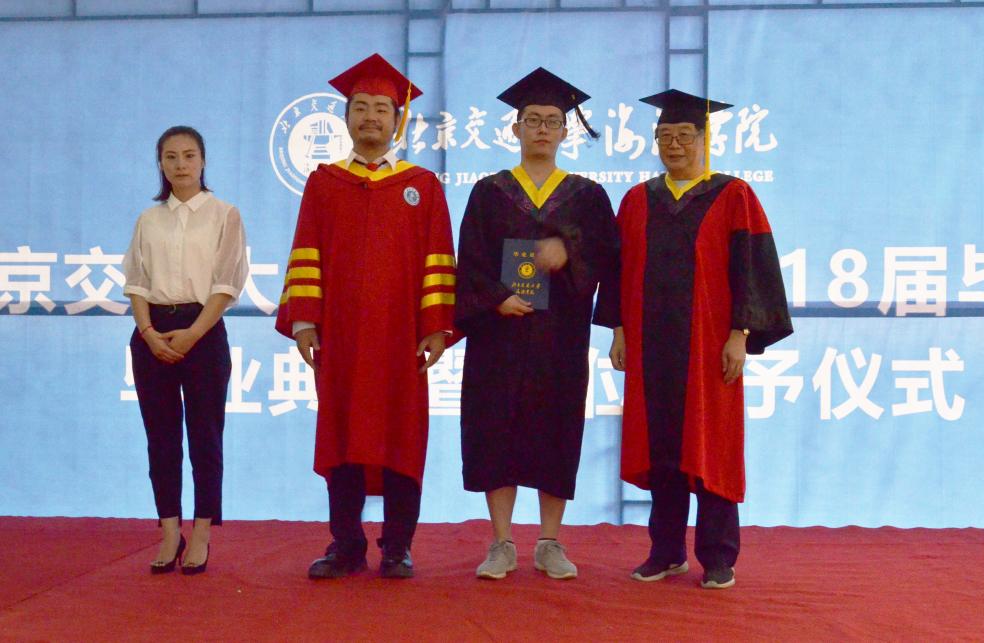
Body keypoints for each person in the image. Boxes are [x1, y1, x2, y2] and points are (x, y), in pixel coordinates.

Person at [593, 89, 793, 589]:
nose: (675, 144)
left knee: (712, 447)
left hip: (709, 346)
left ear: (705, 139)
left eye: (685, 135)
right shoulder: (638, 200)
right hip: (649, 346)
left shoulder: (733, 195)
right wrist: (618, 329)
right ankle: (665, 552)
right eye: (665, 136)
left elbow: (752, 270)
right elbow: (616, 271)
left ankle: (718, 556)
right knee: (661, 448)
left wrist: (740, 334)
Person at [274, 53, 455, 580]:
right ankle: (346, 545)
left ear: (398, 119)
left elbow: (438, 259)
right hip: (343, 338)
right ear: (346, 117)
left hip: (402, 340)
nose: (371, 116)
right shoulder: (324, 183)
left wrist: (436, 328)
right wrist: (305, 322)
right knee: (342, 438)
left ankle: (397, 546)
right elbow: (306, 251)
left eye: (381, 108)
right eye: (360, 107)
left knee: (402, 438)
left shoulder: (422, 185)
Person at [455, 68, 619, 581]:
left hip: (559, 338)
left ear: (566, 131)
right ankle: (502, 541)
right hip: (499, 336)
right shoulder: (489, 192)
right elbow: (469, 261)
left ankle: (550, 541)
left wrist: (569, 250)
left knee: (556, 428)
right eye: (533, 120)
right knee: (494, 429)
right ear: (516, 128)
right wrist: (496, 299)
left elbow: (608, 256)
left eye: (552, 121)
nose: (542, 129)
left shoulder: (587, 196)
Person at [123, 125, 249, 575]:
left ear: (203, 161)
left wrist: (193, 334)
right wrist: (148, 331)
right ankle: (169, 531)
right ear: (160, 163)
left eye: (189, 155)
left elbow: (227, 283)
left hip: (204, 331)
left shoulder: (224, 214)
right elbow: (136, 282)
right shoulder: (148, 219)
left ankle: (201, 533)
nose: (180, 165)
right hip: (152, 334)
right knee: (160, 438)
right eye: (171, 156)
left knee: (205, 436)